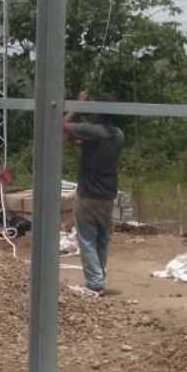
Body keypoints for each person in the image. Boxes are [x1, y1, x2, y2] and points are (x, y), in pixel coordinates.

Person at [64, 91, 125, 294]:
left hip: (88, 194)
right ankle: (99, 278)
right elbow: (87, 146)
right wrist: (75, 142)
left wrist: (77, 106)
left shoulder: (92, 130)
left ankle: (95, 282)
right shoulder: (118, 134)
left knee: (87, 239)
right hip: (107, 194)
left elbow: (60, 125)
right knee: (101, 238)